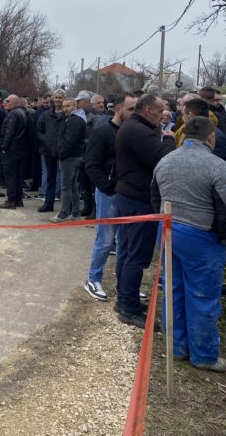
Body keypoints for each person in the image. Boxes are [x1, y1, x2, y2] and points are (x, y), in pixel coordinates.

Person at [151, 117, 226, 372]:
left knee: (173, 289)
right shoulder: (217, 166)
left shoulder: (166, 160)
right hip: (201, 236)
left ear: (183, 134)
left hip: (168, 230)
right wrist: (225, 238)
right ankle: (204, 354)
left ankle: (176, 347)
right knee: (202, 295)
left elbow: (154, 196)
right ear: (211, 137)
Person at [114, 94, 176, 328]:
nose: (163, 116)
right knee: (137, 255)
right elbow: (163, 160)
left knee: (127, 250)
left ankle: (125, 298)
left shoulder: (134, 126)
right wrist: (168, 139)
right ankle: (128, 307)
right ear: (148, 110)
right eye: (160, 112)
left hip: (129, 194)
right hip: (137, 198)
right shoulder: (139, 131)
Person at [83, 93, 137, 300]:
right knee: (105, 240)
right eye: (131, 109)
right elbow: (91, 165)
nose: (135, 113)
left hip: (129, 194)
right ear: (118, 109)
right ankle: (93, 278)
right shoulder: (102, 132)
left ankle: (123, 282)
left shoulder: (134, 133)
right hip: (110, 194)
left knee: (124, 242)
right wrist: (108, 187)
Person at [53, 97, 86, 221]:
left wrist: (61, 153)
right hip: (74, 156)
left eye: (68, 106)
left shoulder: (75, 120)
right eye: (64, 106)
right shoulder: (75, 119)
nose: (65, 108)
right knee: (72, 186)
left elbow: (70, 140)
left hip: (70, 157)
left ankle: (64, 213)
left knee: (66, 186)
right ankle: (75, 213)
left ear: (75, 107)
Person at [36, 89, 65, 212]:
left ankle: (66, 206)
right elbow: (38, 130)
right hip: (48, 150)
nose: (58, 100)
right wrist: (46, 139)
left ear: (64, 99)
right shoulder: (46, 114)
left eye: (60, 97)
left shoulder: (67, 115)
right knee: (50, 178)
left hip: (64, 150)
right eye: (56, 97)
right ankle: (48, 203)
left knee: (65, 179)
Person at [0, 94, 28, 209]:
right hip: (20, 149)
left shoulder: (13, 114)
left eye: (8, 101)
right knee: (18, 175)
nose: (5, 103)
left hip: (12, 149)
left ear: (15, 102)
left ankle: (11, 200)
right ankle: (18, 199)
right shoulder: (22, 113)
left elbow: (9, 132)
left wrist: (4, 147)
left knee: (10, 175)